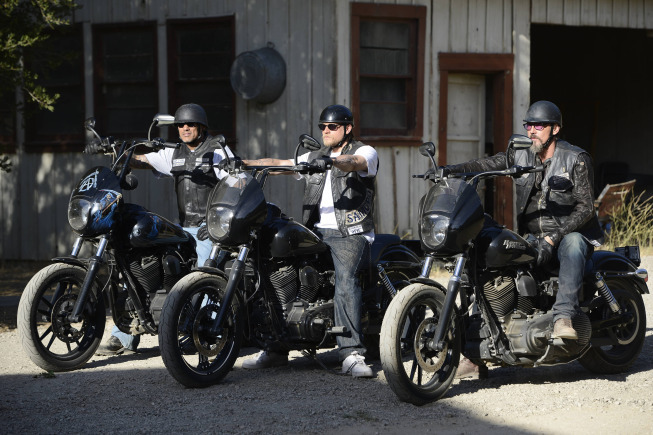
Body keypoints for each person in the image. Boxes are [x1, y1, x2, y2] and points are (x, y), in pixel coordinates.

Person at [446, 100, 604, 379]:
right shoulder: (522, 155)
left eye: (539, 126)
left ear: (555, 129)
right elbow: (487, 163)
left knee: (575, 243)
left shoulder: (575, 159)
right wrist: (451, 171)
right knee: (488, 243)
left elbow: (586, 208)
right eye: (529, 125)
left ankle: (563, 317)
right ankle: (474, 352)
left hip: (567, 235)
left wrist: (554, 237)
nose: (532, 131)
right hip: (533, 237)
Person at [239, 104, 378, 378]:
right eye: (323, 127)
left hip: (350, 231)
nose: (326, 131)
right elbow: (282, 165)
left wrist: (332, 162)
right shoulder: (315, 155)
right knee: (274, 269)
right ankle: (275, 348)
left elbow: (356, 163)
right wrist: (245, 164)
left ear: (347, 128)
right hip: (316, 230)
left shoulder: (365, 151)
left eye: (333, 127)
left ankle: (351, 353)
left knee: (346, 278)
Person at [97, 103, 233, 355]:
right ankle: (124, 334)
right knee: (143, 264)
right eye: (181, 124)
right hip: (184, 227)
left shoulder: (217, 151)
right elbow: (140, 160)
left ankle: (198, 331)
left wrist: (216, 223)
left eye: (190, 124)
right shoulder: (175, 153)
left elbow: (234, 183)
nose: (184, 128)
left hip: (208, 228)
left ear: (201, 126)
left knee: (203, 269)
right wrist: (116, 150)